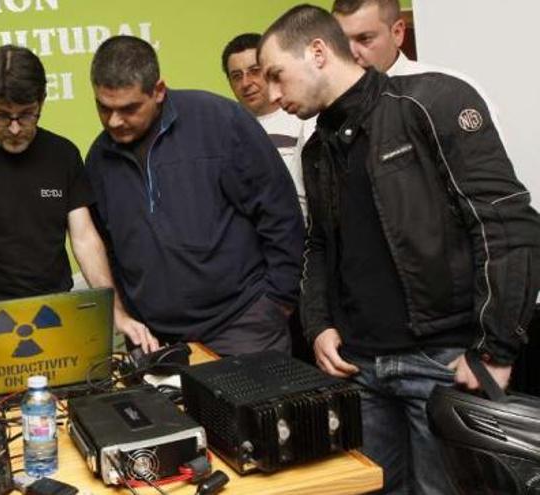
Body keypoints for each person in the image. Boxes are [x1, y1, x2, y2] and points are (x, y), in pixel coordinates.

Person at [258, 5, 540, 493]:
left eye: (277, 76)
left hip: (444, 362)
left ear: (318, 52)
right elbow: (320, 244)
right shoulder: (316, 147)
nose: (273, 94)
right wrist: (318, 323)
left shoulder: (432, 101)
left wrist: (496, 348)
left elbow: (505, 222)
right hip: (360, 367)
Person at [0, 45, 157, 352]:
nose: (15, 128)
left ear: (42, 100)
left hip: (56, 320)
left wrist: (117, 313)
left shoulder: (63, 155)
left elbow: (85, 240)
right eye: (1, 116)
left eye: (27, 115)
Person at [85, 35, 304, 357]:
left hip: (243, 326)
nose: (115, 121)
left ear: (158, 91)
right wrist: (128, 316)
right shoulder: (99, 158)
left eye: (129, 108)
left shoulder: (220, 121)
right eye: (104, 108)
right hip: (156, 339)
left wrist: (277, 302)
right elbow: (107, 246)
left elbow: (279, 212)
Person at [222, 32, 310, 218]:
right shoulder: (223, 130)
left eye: (254, 71)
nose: (246, 83)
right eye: (237, 76)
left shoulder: (303, 118)